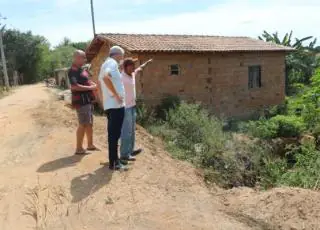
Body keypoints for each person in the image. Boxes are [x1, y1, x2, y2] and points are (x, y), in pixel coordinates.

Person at [97, 46, 126, 170]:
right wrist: (116, 95)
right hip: (115, 106)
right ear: (117, 54)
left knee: (113, 135)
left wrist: (104, 101)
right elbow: (105, 77)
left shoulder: (105, 64)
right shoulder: (112, 63)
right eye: (122, 56)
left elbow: (100, 82)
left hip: (111, 105)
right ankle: (114, 163)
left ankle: (114, 160)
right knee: (114, 135)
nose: (122, 59)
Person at [120, 58, 152, 162]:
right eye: (131, 66)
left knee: (132, 131)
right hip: (125, 108)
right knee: (126, 132)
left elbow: (139, 69)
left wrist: (146, 63)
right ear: (125, 67)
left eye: (134, 66)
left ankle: (130, 150)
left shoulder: (132, 74)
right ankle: (124, 155)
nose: (134, 68)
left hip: (133, 106)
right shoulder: (121, 77)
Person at [68, 50, 98, 155]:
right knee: (83, 124)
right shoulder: (73, 71)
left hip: (88, 101)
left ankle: (90, 145)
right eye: (83, 57)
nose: (85, 59)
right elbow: (74, 86)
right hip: (81, 102)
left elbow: (87, 80)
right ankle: (79, 148)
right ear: (76, 58)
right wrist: (91, 87)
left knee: (89, 123)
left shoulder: (82, 70)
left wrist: (92, 84)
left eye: (85, 58)